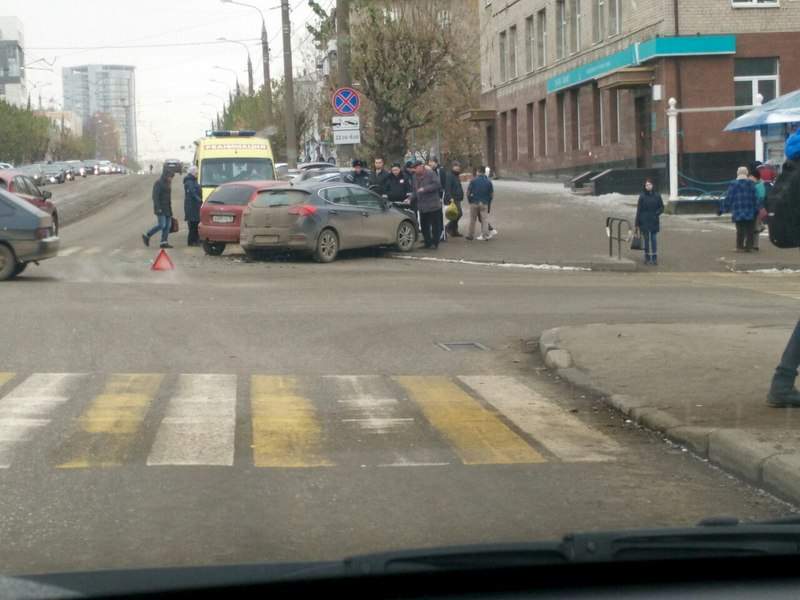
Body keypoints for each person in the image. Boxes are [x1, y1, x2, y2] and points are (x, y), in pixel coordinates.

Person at [720, 166, 759, 252]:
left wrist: (722, 209)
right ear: (747, 173)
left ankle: (739, 247)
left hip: (738, 210)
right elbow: (755, 197)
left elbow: (729, 198)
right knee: (750, 230)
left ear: (737, 173)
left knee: (740, 230)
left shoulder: (733, 184)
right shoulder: (751, 184)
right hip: (750, 210)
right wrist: (757, 209)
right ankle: (749, 247)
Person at [411, 160, 443, 249]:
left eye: (416, 168)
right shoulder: (414, 177)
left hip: (433, 204)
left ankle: (435, 243)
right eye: (414, 169)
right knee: (424, 225)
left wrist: (425, 189)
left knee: (435, 225)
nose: (415, 170)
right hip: (422, 206)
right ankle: (427, 242)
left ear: (421, 167)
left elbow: (437, 185)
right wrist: (410, 198)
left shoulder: (431, 173)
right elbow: (414, 190)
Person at [634, 178, 664, 266]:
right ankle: (647, 258)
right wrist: (637, 223)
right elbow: (639, 210)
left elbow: (662, 207)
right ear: (645, 186)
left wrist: (657, 213)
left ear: (653, 185)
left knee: (653, 239)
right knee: (646, 240)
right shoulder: (642, 196)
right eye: (646, 185)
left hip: (654, 220)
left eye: (649, 184)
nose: (648, 186)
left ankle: (654, 258)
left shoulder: (657, 196)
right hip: (644, 221)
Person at [143, 169, 174, 249]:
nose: (171, 179)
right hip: (160, 208)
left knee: (168, 226)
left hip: (167, 208)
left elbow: (168, 198)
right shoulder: (158, 183)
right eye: (170, 177)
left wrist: (170, 209)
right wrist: (158, 208)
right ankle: (147, 235)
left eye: (172, 177)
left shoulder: (168, 184)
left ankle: (164, 242)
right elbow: (155, 196)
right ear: (166, 176)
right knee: (162, 225)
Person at [466, 165, 493, 241]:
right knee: (484, 220)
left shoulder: (473, 181)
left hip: (474, 202)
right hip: (484, 203)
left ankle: (470, 235)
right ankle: (485, 235)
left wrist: (470, 200)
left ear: (478, 171)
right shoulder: (488, 181)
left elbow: (468, 193)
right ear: (484, 172)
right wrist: (488, 201)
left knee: (472, 220)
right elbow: (491, 194)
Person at [749, 162, 767, 251]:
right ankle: (755, 245)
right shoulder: (761, 183)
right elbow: (763, 196)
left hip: (754, 207)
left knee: (754, 227)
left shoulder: (753, 184)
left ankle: (753, 244)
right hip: (759, 207)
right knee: (756, 226)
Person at [183, 165, 202, 247]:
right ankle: (191, 241)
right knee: (193, 224)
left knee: (196, 223)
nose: (197, 174)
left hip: (195, 206)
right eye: (196, 173)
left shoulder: (193, 180)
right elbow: (192, 192)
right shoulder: (189, 182)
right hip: (191, 206)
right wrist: (199, 199)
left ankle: (195, 240)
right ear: (192, 173)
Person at [444, 161, 464, 237]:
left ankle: (454, 231)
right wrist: (450, 198)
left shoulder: (456, 175)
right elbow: (447, 188)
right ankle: (448, 227)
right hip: (453, 199)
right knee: (458, 214)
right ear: (452, 167)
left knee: (456, 214)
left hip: (457, 198)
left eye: (459, 167)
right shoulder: (449, 175)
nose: (458, 168)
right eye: (456, 167)